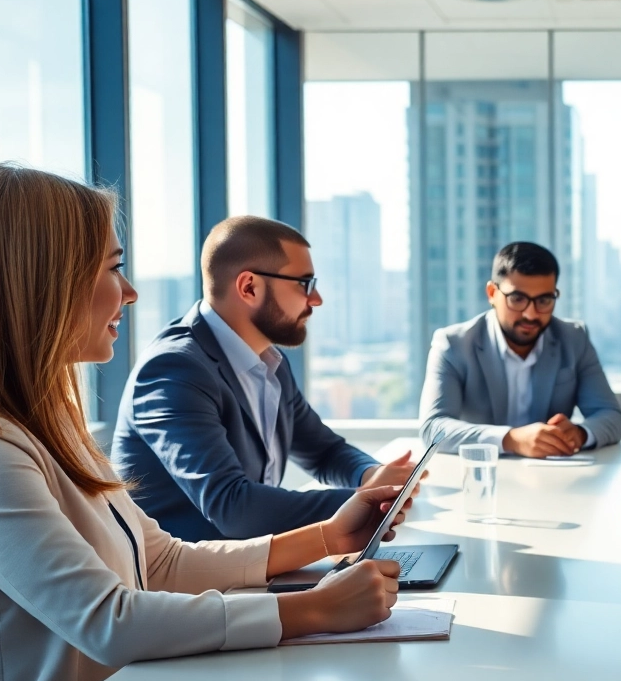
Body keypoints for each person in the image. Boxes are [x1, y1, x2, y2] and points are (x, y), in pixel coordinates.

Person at [0, 163, 408, 681]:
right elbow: (109, 620)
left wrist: (329, 535)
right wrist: (314, 608)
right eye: (114, 269)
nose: (130, 294)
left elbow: (160, 562)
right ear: (42, 282)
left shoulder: (50, 420)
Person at [111, 216, 421, 542]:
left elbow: (323, 451)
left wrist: (372, 476)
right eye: (304, 284)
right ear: (249, 287)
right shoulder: (174, 369)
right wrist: (368, 503)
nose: (316, 300)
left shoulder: (269, 361)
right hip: (190, 586)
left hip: (249, 569)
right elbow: (235, 508)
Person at [418, 242, 621, 456]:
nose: (531, 314)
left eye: (544, 300)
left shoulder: (574, 339)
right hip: (481, 475)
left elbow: (611, 416)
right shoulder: (454, 345)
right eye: (517, 299)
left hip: (554, 476)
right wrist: (511, 439)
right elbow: (433, 428)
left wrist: (580, 433)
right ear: (492, 293)